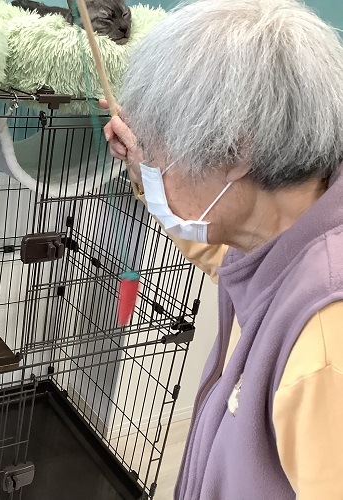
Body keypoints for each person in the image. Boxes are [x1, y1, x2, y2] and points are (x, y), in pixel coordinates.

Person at [102, 0, 343, 498]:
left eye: (160, 149)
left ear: (236, 149)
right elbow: (221, 253)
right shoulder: (280, 234)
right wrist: (145, 170)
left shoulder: (326, 345)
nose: (154, 163)